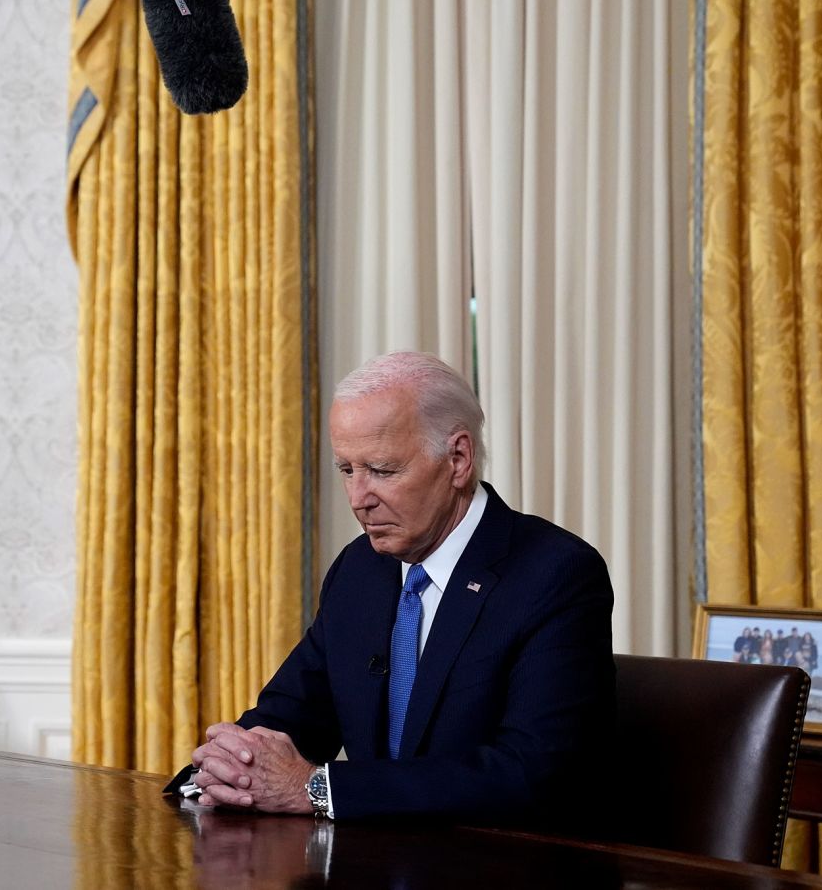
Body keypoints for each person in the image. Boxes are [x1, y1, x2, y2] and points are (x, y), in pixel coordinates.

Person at [169, 351, 615, 827]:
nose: (359, 499)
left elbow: (530, 772)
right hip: (372, 862)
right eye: (347, 470)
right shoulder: (360, 570)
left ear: (458, 459)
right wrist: (216, 776)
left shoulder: (556, 573)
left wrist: (316, 789)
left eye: (382, 471)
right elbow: (289, 717)